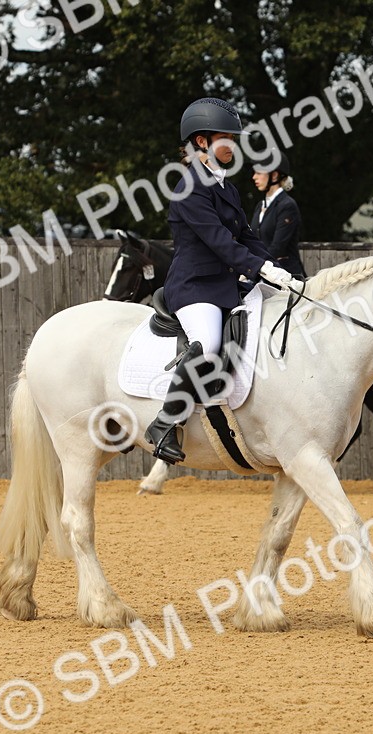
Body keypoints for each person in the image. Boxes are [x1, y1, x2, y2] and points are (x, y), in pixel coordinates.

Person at [144, 97, 301, 464]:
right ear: (202, 142)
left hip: (228, 286)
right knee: (208, 341)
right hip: (196, 286)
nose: (232, 144)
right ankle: (165, 423)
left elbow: (246, 237)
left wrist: (277, 271)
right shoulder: (187, 186)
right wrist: (260, 269)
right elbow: (218, 241)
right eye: (225, 137)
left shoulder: (226, 188)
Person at [252, 150, 305, 278]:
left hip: (286, 277)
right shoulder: (260, 206)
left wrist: (252, 265)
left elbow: (277, 247)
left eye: (259, 173)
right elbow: (253, 240)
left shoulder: (287, 205)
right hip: (264, 273)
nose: (254, 177)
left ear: (274, 176)